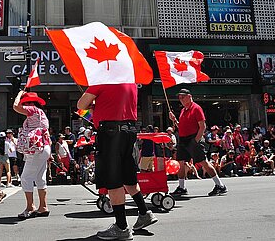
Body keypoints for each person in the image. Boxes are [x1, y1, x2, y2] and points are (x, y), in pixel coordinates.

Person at [78, 83, 158, 240]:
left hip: (110, 134)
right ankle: (144, 212)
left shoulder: (104, 81)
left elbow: (81, 104)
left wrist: (94, 104)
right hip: (128, 131)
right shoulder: (131, 84)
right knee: (129, 178)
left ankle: (121, 226)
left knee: (113, 181)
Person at [169, 89, 227, 196]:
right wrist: (174, 120)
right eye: (179, 97)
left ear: (189, 96)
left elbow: (202, 127)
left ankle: (220, 185)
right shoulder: (183, 110)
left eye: (182, 97)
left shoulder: (196, 108)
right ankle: (181, 187)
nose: (180, 99)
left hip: (193, 138)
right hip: (183, 139)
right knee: (181, 163)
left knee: (203, 162)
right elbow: (180, 127)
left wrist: (195, 141)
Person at [13, 91, 51, 219]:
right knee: (40, 177)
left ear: (30, 103)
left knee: (26, 178)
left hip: (36, 149)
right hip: (44, 147)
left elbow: (15, 107)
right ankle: (43, 207)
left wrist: (18, 95)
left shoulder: (33, 110)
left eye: (26, 103)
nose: (24, 105)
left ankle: (30, 207)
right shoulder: (41, 114)